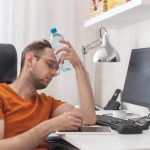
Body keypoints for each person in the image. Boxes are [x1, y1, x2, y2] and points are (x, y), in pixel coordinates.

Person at [0, 39, 96, 149]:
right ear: (30, 59)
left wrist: (79, 67)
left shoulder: (47, 103)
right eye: (50, 64)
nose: (54, 73)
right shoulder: (2, 95)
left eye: (56, 68)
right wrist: (49, 126)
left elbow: (88, 118)